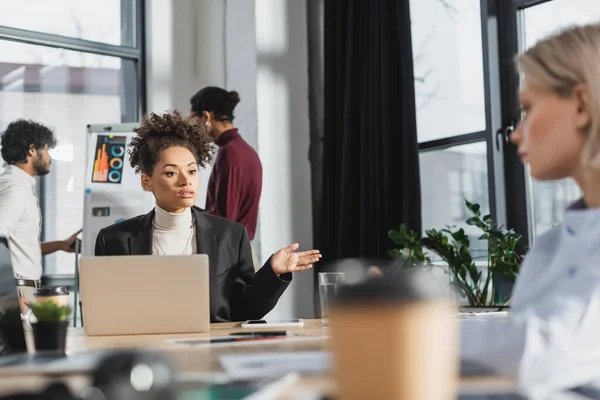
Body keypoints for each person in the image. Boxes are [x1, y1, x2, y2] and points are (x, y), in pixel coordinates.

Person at [460, 23, 600, 398]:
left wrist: (405, 324)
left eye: (527, 109)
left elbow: (540, 353)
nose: (514, 133)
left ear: (583, 105)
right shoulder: (551, 247)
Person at [94, 111, 321, 322]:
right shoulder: (114, 240)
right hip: (146, 352)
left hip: (210, 352)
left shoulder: (230, 235)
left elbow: (246, 310)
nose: (186, 180)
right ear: (147, 182)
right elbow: (104, 314)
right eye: (171, 173)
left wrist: (273, 272)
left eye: (192, 171)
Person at [0, 119, 81, 304]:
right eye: (46, 150)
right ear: (32, 150)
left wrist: (60, 244)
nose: (50, 158)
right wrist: (6, 295)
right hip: (16, 292)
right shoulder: (15, 189)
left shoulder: (18, 185)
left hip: (22, 290)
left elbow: (18, 246)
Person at [189, 87, 262, 242]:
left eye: (194, 118)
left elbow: (224, 221)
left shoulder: (230, 153)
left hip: (232, 253)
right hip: (238, 249)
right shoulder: (242, 149)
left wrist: (183, 209)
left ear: (206, 117)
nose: (193, 126)